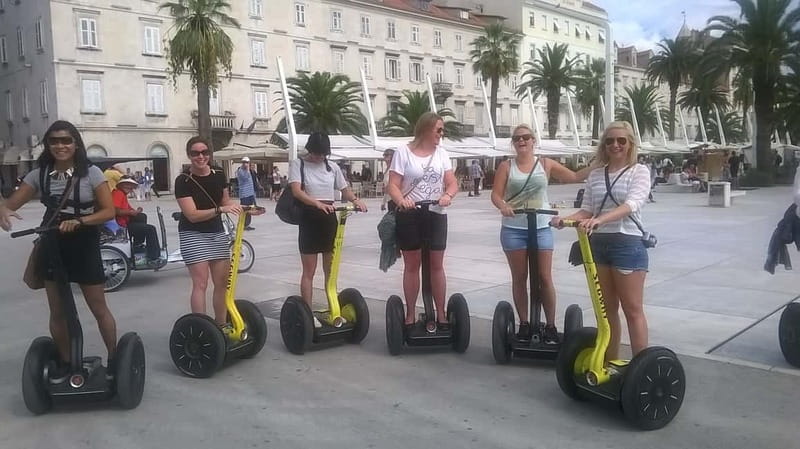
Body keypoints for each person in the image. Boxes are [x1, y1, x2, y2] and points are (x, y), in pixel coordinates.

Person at [0, 120, 117, 383]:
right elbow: (11, 203)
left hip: (84, 241)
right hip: (53, 241)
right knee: (58, 310)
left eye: (66, 140)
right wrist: (3, 210)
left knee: (98, 307)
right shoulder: (39, 174)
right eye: (54, 141)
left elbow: (109, 211)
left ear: (76, 143)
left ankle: (114, 358)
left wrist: (81, 221)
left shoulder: (92, 173)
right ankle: (65, 363)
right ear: (48, 144)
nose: (60, 145)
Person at [553, 121, 651, 360]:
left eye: (621, 141)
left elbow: (632, 205)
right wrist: (565, 220)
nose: (615, 145)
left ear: (630, 144)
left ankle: (641, 366)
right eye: (610, 141)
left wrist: (601, 220)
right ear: (604, 145)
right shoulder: (596, 175)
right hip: (597, 245)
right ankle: (609, 361)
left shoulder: (639, 171)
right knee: (606, 311)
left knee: (632, 309)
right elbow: (587, 209)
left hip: (627, 243)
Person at [491, 124, 597, 343]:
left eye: (526, 137)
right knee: (519, 278)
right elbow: (495, 195)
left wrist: (599, 162)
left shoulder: (545, 164)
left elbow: (574, 176)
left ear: (533, 141)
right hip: (514, 228)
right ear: (514, 142)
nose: (522, 141)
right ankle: (524, 322)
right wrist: (503, 206)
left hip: (541, 226)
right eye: (518, 138)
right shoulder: (506, 166)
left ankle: (550, 325)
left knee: (545, 278)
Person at [175, 137, 256, 330]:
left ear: (209, 154)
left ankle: (221, 326)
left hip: (216, 233)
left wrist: (246, 208)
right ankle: (201, 328)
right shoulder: (183, 181)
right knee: (200, 284)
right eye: (195, 153)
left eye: (204, 152)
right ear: (189, 155)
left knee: (221, 284)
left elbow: (225, 201)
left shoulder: (219, 175)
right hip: (192, 234)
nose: (200, 156)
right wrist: (220, 210)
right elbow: (192, 215)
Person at [387, 112, 458, 332]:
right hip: (410, 214)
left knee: (437, 265)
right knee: (412, 265)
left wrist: (448, 195)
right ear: (426, 129)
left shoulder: (442, 153)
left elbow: (452, 182)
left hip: (436, 212)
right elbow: (393, 185)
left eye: (442, 130)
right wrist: (401, 201)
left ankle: (441, 313)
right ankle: (409, 314)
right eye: (438, 130)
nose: (441, 134)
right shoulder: (403, 152)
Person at [288, 132, 366, 327]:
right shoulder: (299, 164)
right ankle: (307, 315)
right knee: (309, 271)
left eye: (322, 154)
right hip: (309, 218)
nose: (318, 157)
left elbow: (344, 189)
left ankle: (333, 306)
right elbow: (297, 191)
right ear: (309, 149)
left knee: (330, 269)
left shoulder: (332, 167)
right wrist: (316, 204)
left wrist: (356, 200)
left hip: (329, 218)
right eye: (315, 153)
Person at [112, 177, 163, 266]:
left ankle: (137, 244)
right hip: (121, 225)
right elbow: (116, 210)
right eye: (129, 186)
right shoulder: (118, 194)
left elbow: (128, 209)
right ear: (122, 185)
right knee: (150, 229)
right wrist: (131, 212)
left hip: (124, 221)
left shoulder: (122, 194)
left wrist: (136, 211)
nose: (130, 189)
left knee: (142, 216)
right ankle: (154, 256)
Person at [236, 157, 259, 231]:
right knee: (244, 210)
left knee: (249, 210)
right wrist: (248, 169)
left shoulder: (250, 171)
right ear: (242, 163)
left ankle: (247, 224)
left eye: (247, 162)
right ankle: (241, 224)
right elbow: (245, 178)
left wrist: (253, 194)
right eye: (244, 162)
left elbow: (251, 183)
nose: (245, 164)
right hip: (244, 194)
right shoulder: (240, 171)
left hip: (250, 193)